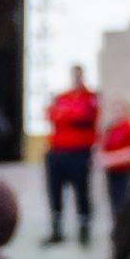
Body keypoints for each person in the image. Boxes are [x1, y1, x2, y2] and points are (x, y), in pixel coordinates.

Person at [41, 67, 100, 246]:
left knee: (82, 191)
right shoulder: (63, 97)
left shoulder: (90, 97)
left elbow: (84, 116)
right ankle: (56, 230)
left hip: (79, 152)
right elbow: (51, 114)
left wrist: (65, 113)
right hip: (57, 151)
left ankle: (84, 229)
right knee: (54, 190)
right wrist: (68, 112)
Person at [98, 96, 130, 225]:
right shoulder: (111, 128)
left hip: (124, 173)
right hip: (112, 173)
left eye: (119, 110)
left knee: (125, 204)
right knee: (115, 205)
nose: (116, 113)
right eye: (114, 110)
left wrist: (110, 159)